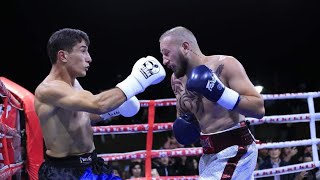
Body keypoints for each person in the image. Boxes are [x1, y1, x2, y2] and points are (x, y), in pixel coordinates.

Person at [34, 28, 166, 180]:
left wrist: (115, 110)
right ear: (63, 55)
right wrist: (138, 80)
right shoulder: (49, 89)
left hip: (92, 164)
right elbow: (98, 104)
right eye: (83, 51)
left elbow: (86, 116)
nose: (89, 58)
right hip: (65, 173)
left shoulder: (74, 84)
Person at [159, 26, 265, 179]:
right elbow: (185, 116)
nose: (165, 61)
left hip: (236, 149)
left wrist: (221, 93)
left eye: (167, 53)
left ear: (185, 47)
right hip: (208, 154)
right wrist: (184, 126)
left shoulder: (225, 64)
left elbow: (259, 109)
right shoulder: (176, 80)